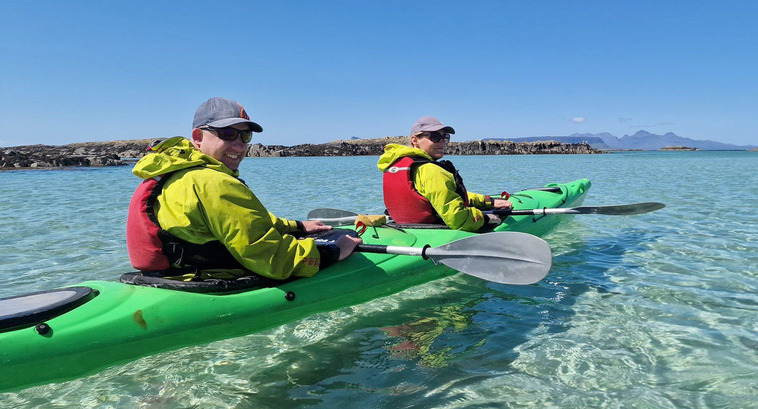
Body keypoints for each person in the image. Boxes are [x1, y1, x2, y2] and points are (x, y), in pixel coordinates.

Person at [126, 97, 360, 280]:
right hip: (209, 278)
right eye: (228, 133)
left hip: (173, 275)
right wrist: (334, 252)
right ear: (198, 137)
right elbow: (274, 261)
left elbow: (246, 222)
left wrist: (298, 227)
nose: (239, 145)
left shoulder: (175, 173)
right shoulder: (215, 183)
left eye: (245, 135)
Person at [377, 116, 512, 231]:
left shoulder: (395, 165)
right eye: (435, 137)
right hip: (434, 232)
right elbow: (457, 219)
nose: (442, 142)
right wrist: (485, 218)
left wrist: (488, 201)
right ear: (415, 140)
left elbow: (444, 195)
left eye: (445, 137)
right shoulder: (431, 170)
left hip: (406, 229)